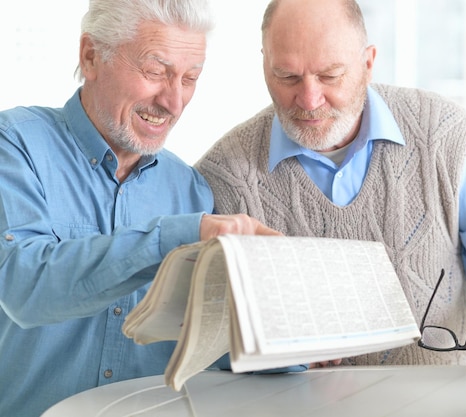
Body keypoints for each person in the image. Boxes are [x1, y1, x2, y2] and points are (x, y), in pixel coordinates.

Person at [196, 0, 466, 368]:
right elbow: (203, 339)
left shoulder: (442, 138)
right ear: (264, 63)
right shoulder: (223, 175)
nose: (309, 99)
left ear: (368, 63)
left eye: (330, 75)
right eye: (287, 76)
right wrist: (282, 359)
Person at [0, 1, 282, 416]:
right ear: (91, 56)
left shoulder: (191, 188)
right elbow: (25, 288)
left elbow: (205, 346)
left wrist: (285, 346)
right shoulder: (16, 145)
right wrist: (176, 238)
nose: (174, 101)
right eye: (156, 71)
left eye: (190, 78)